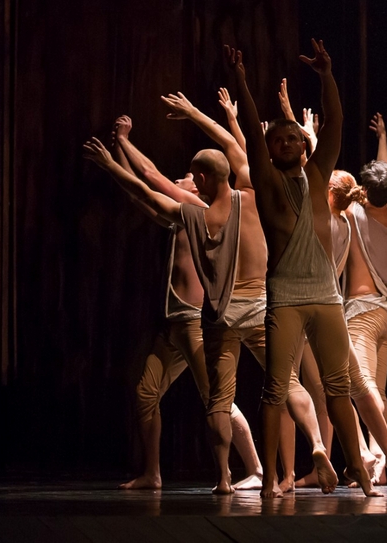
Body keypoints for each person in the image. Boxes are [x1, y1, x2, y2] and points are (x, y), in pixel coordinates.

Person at [223, 40, 377, 498]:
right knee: (275, 389)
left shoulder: (318, 174)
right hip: (286, 297)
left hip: (326, 295)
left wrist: (327, 76)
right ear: (270, 149)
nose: (287, 142)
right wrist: (241, 81)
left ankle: (358, 469)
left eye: (294, 137)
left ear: (305, 145)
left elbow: (336, 121)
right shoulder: (266, 179)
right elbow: (252, 133)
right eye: (279, 139)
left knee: (338, 386)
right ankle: (271, 479)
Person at [106, 116, 263, 492]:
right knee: (146, 393)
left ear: (201, 185)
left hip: (194, 322)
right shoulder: (179, 217)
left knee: (216, 398)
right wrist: (117, 155)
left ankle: (254, 468)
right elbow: (139, 192)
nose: (181, 179)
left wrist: (123, 144)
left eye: (189, 177)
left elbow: (151, 176)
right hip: (172, 324)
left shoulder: (197, 207)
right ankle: (152, 473)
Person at [342, 113, 387, 485]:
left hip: (362, 314)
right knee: (376, 391)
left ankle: (382, 458)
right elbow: (386, 174)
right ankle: (378, 462)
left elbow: (330, 184)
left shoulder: (353, 214)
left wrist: (312, 140)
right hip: (386, 315)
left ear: (364, 191)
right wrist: (383, 137)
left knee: (361, 389)